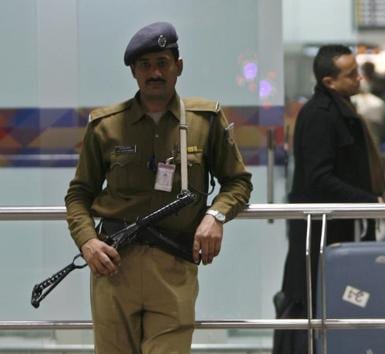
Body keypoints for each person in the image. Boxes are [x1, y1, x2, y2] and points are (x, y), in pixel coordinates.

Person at [64, 22, 252, 353]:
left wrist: (216, 216)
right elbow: (79, 194)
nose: (155, 72)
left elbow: (237, 182)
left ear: (179, 66)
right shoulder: (106, 126)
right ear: (134, 72)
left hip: (173, 269)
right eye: (145, 65)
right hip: (113, 268)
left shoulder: (204, 121)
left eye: (163, 63)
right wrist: (87, 242)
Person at [273, 44, 385, 354]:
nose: (359, 79)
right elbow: (319, 177)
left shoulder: (340, 110)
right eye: (350, 74)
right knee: (310, 303)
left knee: (335, 300)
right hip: (321, 231)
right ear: (329, 82)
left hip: (336, 227)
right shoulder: (321, 116)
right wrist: (366, 201)